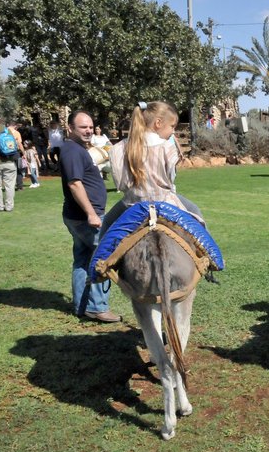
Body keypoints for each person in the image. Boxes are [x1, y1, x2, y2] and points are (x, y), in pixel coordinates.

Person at [102, 101, 203, 235]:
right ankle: (211, 255)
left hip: (133, 203)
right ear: (158, 123)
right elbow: (170, 179)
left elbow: (121, 184)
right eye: (172, 126)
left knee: (107, 225)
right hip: (164, 202)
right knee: (195, 212)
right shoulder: (167, 147)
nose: (173, 131)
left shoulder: (120, 148)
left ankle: (97, 256)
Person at [59, 109, 121, 322]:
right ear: (70, 128)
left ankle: (82, 306)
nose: (87, 131)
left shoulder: (75, 149)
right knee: (103, 257)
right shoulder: (73, 151)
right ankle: (97, 307)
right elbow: (75, 184)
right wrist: (92, 214)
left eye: (90, 127)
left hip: (76, 216)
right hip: (86, 218)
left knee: (83, 259)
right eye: (82, 127)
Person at [7, 120, 26, 191]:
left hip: (6, 153)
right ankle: (19, 186)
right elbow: (20, 144)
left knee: (9, 170)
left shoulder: (4, 132)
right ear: (15, 126)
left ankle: (9, 186)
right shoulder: (16, 133)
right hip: (15, 153)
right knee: (19, 169)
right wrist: (23, 153)